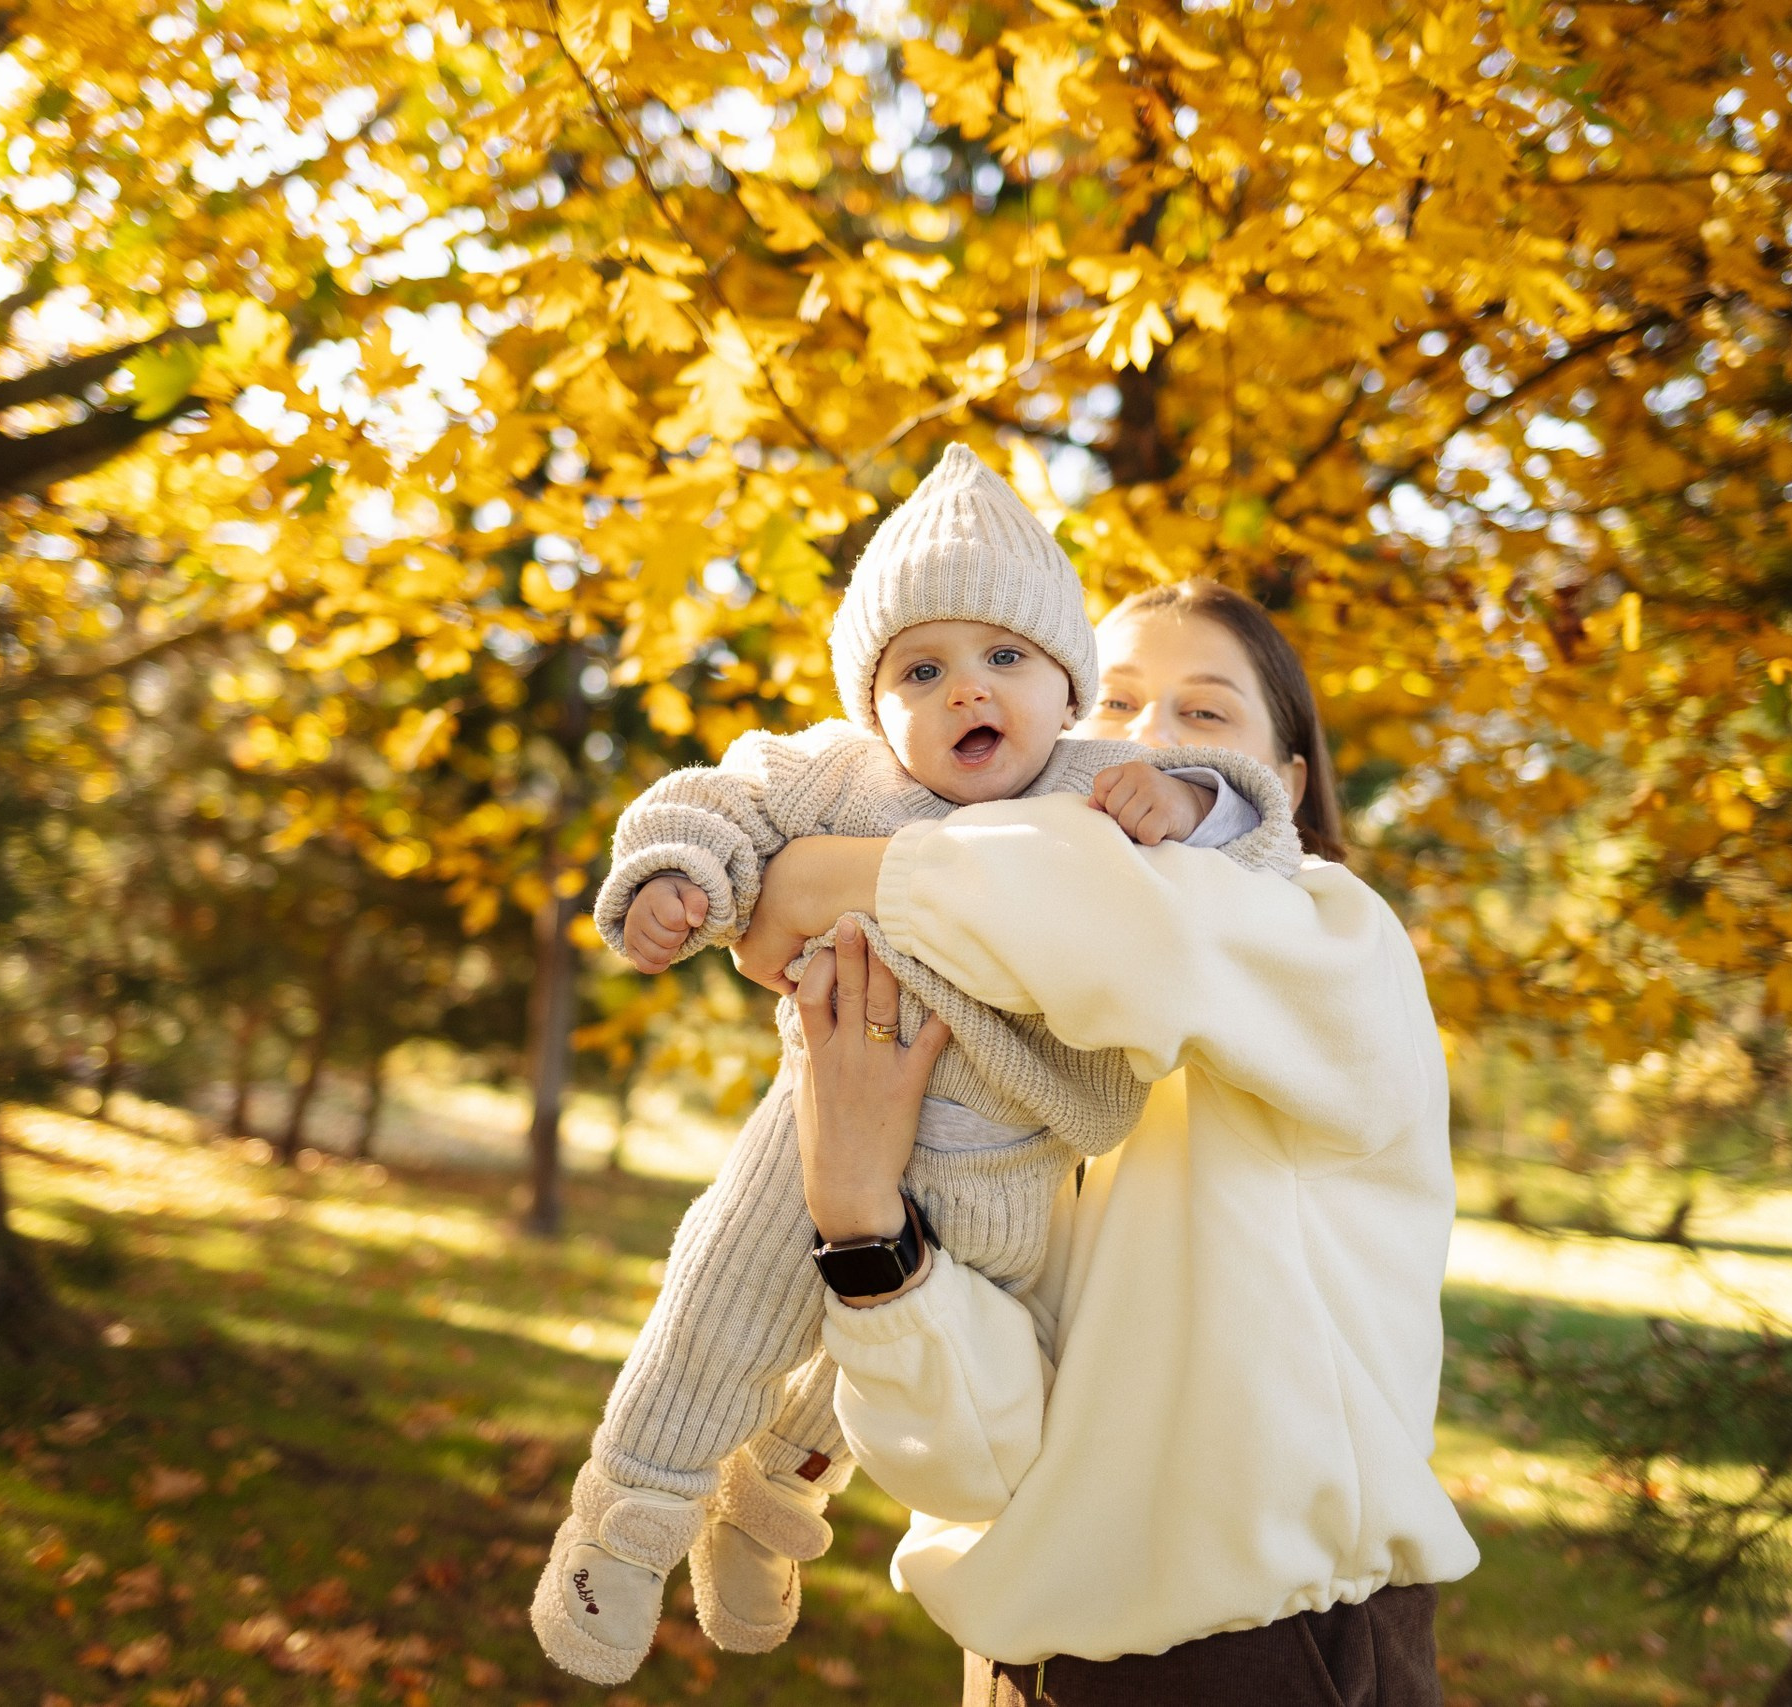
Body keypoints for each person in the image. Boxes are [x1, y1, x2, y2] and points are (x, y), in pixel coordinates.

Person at [531, 455, 1307, 1686]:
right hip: (817, 1126)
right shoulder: (842, 776)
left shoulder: (1092, 787)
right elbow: (714, 799)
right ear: (871, 701)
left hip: (1013, 1164)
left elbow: (1257, 825)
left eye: (1005, 658)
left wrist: (1182, 799)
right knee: (722, 1315)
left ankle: (769, 1508)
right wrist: (678, 878)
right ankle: (623, 1527)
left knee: (880, 1365)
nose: (966, 693)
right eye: (921, 669)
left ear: (1068, 690)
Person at [736, 581, 1478, 1706]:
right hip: (1024, 1673)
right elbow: (976, 1463)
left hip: (1269, 1661)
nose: (1143, 746)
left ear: (1277, 789)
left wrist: (832, 872)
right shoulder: (1009, 1056)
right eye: (1113, 706)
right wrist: (859, 1213)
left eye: (1205, 716)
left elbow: (1143, 930)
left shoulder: (1336, 939)